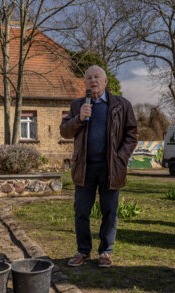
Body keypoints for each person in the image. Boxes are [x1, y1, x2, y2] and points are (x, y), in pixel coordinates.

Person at [60, 65, 138, 267]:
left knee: (109, 211)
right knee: (81, 212)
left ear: (105, 82)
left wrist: (120, 157)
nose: (93, 80)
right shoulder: (78, 106)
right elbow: (65, 132)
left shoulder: (121, 105)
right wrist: (80, 118)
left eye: (97, 77)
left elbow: (131, 135)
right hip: (85, 168)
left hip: (110, 168)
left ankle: (105, 252)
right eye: (88, 78)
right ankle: (83, 251)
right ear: (84, 83)